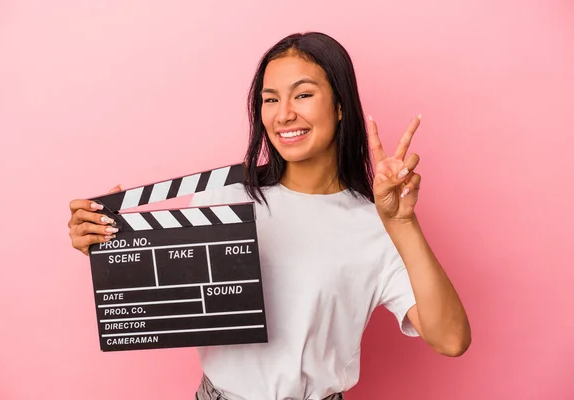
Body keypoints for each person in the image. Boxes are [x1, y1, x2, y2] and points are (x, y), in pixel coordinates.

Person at [68, 31, 471, 400]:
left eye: (303, 94)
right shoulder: (223, 197)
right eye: (271, 98)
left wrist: (402, 223)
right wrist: (112, 246)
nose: (283, 114)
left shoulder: (376, 224)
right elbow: (175, 294)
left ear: (341, 105)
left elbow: (451, 339)